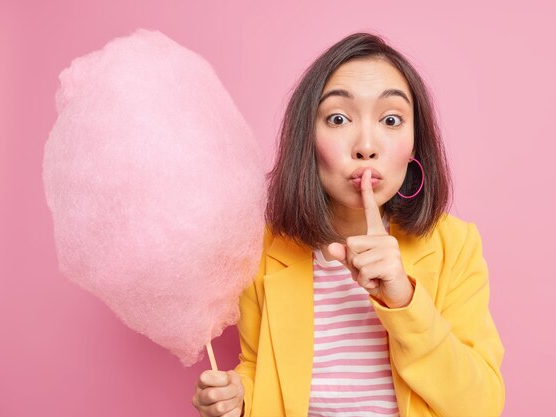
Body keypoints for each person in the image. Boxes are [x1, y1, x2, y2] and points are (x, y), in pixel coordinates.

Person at [192, 32, 505, 417]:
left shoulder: (455, 245)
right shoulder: (260, 251)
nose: (366, 145)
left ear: (413, 149)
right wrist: (240, 398)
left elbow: (480, 406)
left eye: (391, 119)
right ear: (307, 139)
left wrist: (403, 299)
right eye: (338, 118)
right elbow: (263, 375)